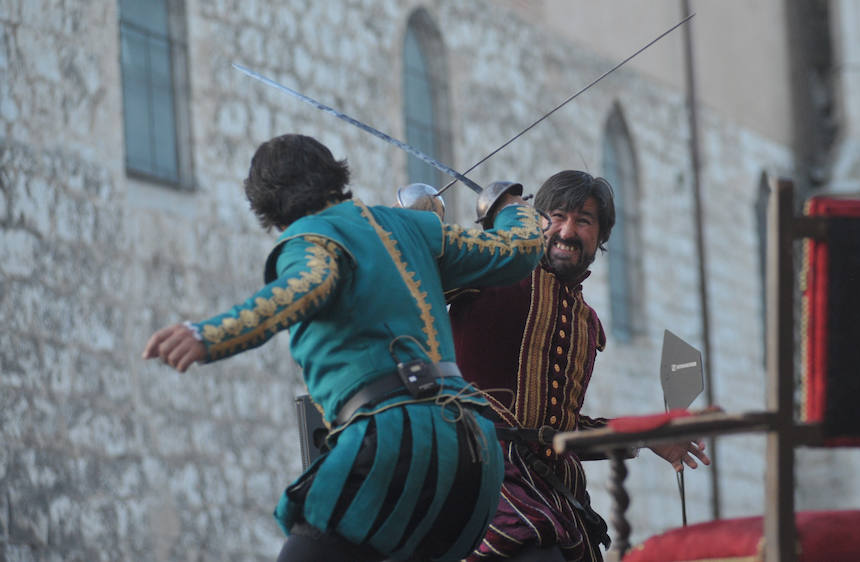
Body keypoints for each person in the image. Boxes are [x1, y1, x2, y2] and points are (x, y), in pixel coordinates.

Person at [141, 134, 546, 562]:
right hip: (474, 453)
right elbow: (519, 249)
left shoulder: (312, 240)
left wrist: (208, 335)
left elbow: (305, 286)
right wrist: (511, 209)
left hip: (395, 443)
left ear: (268, 206)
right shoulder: (412, 227)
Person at [448, 170, 710, 562]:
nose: (568, 231)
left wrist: (648, 434)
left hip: (555, 493)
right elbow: (416, 280)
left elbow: (561, 428)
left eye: (583, 221)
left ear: (600, 238)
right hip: (480, 471)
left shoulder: (585, 323)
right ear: (537, 223)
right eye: (557, 216)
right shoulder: (492, 269)